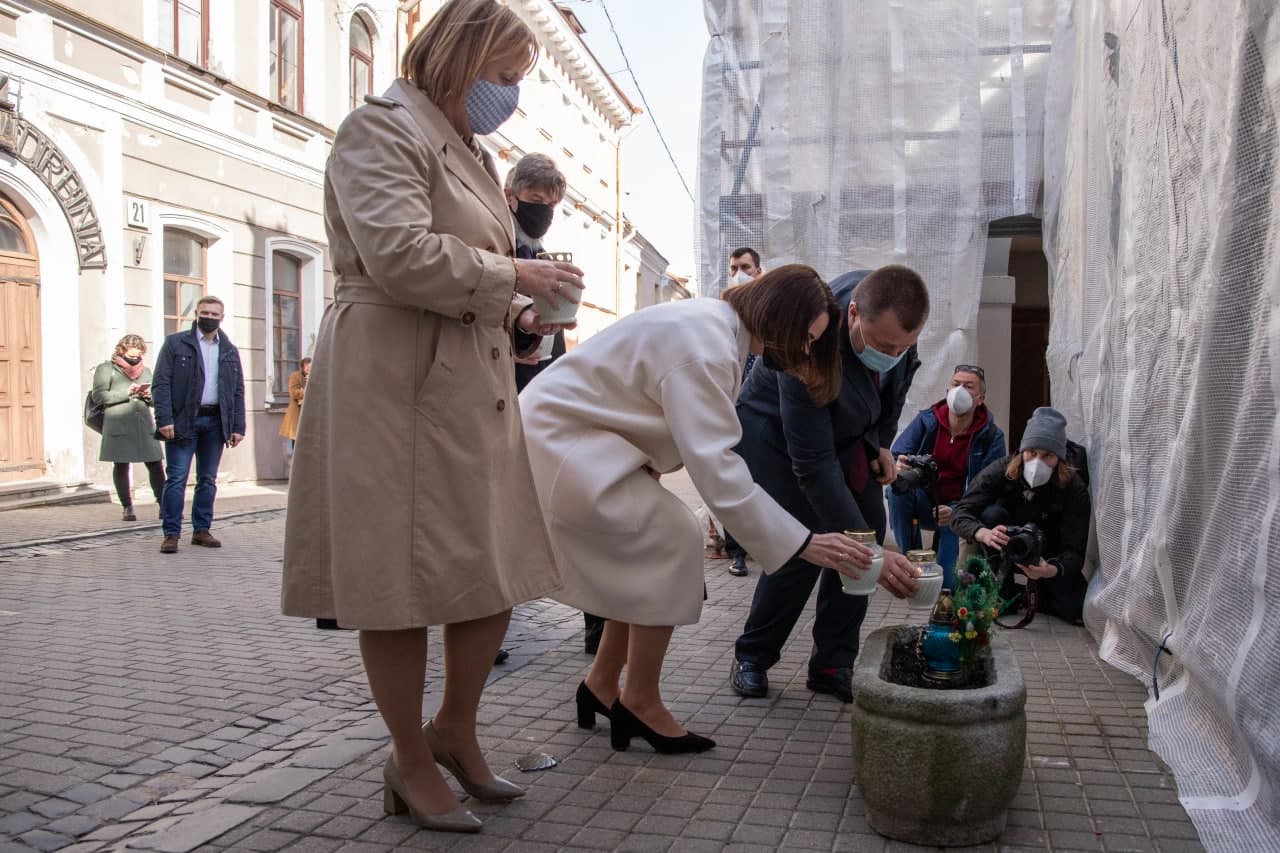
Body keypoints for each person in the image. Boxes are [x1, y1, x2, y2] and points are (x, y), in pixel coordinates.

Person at [279, 0, 584, 834]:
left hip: (467, 380)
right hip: (394, 379)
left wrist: (522, 315)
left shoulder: (473, 149)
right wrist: (517, 279)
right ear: (459, 55)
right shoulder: (378, 129)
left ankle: (455, 728)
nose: (509, 94)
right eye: (505, 75)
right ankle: (409, 756)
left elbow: (475, 270)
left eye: (518, 80)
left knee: (491, 569)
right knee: (400, 582)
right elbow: (399, 252)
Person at [521, 264, 881, 756]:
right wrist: (804, 543)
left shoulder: (714, 329)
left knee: (644, 549)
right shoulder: (709, 346)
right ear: (779, 316)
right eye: (805, 337)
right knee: (671, 536)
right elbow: (716, 468)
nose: (803, 351)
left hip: (572, 438)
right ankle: (640, 700)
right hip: (558, 442)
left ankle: (602, 684)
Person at [730, 265, 929, 704]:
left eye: (903, 346)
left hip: (847, 432)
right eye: (882, 345)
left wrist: (880, 443)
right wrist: (871, 553)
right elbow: (814, 463)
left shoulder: (895, 327)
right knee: (806, 540)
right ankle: (754, 655)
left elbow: (893, 391)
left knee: (867, 532)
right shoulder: (809, 338)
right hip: (778, 434)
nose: (893, 353)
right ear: (853, 314)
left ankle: (832, 663)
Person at [950, 407, 1091, 625]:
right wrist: (982, 533)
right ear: (1022, 451)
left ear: (1059, 458)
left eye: (1047, 456)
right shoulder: (1002, 469)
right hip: (1002, 549)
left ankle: (1035, 594)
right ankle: (1003, 589)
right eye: (1031, 453)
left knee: (1075, 608)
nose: (1037, 462)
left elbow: (1074, 550)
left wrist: (1051, 569)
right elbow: (961, 511)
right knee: (992, 513)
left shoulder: (1074, 487)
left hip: (1046, 554)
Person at [888, 364, 1006, 587]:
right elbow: (897, 453)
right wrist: (901, 463)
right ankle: (909, 562)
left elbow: (992, 487)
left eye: (968, 386)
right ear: (947, 390)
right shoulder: (927, 420)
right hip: (924, 501)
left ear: (981, 398)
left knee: (947, 584)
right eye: (956, 384)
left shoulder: (991, 436)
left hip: (958, 510)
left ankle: (942, 570)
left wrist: (958, 510)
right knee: (896, 491)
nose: (959, 390)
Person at [152, 295, 246, 554]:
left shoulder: (228, 350)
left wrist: (238, 425)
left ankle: (201, 530)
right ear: (196, 313)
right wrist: (164, 419)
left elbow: (237, 389)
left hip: (215, 422)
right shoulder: (175, 344)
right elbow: (161, 384)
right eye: (205, 313)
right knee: (177, 478)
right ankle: (171, 533)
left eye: (215, 315)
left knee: (207, 479)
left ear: (222, 318)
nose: (209, 318)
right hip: (183, 421)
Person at [507, 153, 569, 392]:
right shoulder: (494, 247)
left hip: (541, 387)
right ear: (510, 197)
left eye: (551, 205)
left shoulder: (546, 259)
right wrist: (506, 353)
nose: (544, 211)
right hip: (504, 387)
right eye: (536, 198)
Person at [92, 334, 164, 522]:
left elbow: (157, 397)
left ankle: (165, 505)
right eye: (132, 353)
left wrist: (148, 396)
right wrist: (127, 392)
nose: (136, 357)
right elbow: (99, 396)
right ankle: (127, 507)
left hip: (144, 425)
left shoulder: (146, 370)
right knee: (121, 465)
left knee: (156, 464)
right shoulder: (106, 369)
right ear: (122, 350)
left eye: (139, 353)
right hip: (118, 422)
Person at [724, 246, 763, 578]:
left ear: (758, 272)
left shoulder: (765, 313)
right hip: (731, 412)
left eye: (745, 267)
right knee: (731, 480)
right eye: (734, 267)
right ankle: (736, 551)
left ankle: (764, 543)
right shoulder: (721, 316)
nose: (739, 272)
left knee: (763, 480)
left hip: (761, 415)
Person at [279, 357, 311, 479]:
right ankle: (296, 474)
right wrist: (307, 386)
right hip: (297, 415)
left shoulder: (315, 377)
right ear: (302, 367)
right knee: (296, 445)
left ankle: (305, 473)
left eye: (311, 367)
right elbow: (294, 394)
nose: (309, 369)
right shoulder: (295, 376)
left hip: (309, 416)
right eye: (307, 367)